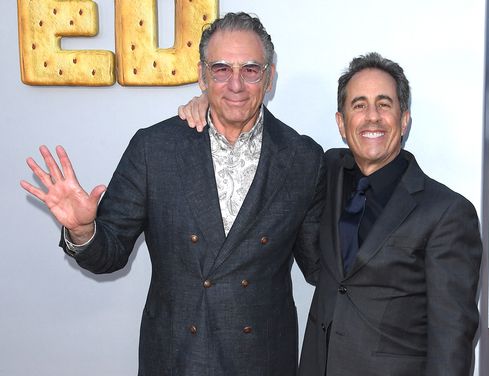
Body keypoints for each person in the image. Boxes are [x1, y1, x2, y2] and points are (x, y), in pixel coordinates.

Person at [20, 12, 325, 376]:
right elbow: (110, 254)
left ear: (269, 77)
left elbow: (320, 265)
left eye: (251, 69)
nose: (236, 84)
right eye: (222, 69)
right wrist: (84, 230)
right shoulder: (155, 148)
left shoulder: (303, 158)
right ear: (202, 76)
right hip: (176, 357)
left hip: (261, 360)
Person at [179, 52, 482, 376]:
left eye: (384, 104)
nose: (372, 117)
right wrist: (209, 102)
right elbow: (266, 146)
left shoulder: (447, 212)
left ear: (404, 118)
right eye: (359, 105)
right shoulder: (324, 170)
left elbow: (452, 340)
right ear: (341, 122)